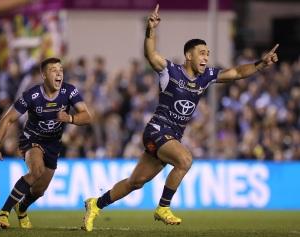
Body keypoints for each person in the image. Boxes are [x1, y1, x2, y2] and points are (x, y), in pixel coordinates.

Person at [81, 4, 279, 231]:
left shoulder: (206, 77)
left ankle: (95, 204)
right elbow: (150, 54)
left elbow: (236, 73)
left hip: (171, 136)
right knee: (185, 160)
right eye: (202, 53)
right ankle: (163, 207)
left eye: (208, 54)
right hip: (157, 130)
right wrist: (150, 31)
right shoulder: (170, 72)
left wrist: (261, 64)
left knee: (135, 182)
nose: (206, 57)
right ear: (188, 55)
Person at [0, 57, 93, 229]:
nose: (59, 72)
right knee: (36, 170)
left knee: (39, 190)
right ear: (43, 75)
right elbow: (7, 119)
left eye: (60, 69)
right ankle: (4, 212)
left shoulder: (69, 91)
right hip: (32, 139)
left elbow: (87, 115)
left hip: (53, 144)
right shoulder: (32, 95)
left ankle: (21, 209)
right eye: (53, 70)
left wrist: (70, 118)